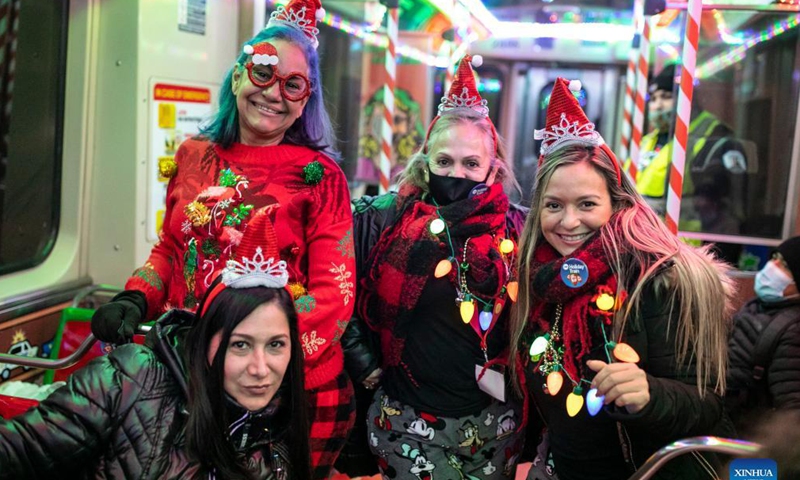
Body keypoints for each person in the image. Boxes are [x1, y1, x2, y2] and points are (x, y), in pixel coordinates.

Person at [90, 1, 356, 477]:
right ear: (237, 77)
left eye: (292, 84)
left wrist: (255, 360)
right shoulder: (192, 156)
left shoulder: (321, 178)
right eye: (263, 71)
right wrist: (137, 296)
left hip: (283, 386)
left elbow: (334, 296)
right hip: (191, 372)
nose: (273, 93)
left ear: (304, 100)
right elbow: (173, 251)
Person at [512, 78, 737, 480]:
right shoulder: (537, 279)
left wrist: (650, 393)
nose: (568, 222)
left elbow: (707, 404)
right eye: (553, 205)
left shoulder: (661, 281)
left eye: (586, 204)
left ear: (617, 203)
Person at [342, 55, 527, 480]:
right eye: (444, 162)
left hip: (495, 422)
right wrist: (366, 366)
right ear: (426, 161)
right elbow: (342, 293)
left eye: (471, 164)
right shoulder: (383, 219)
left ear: (492, 167)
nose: (456, 174)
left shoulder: (518, 227)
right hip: (406, 418)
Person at [0, 231, 310, 480]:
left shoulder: (277, 435)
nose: (260, 369)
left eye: (276, 345)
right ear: (203, 342)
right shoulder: (131, 380)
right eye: (239, 345)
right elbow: (19, 452)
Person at [626, 63, 748, 220]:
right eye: (653, 98)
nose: (657, 106)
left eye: (666, 97)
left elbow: (717, 204)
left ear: (686, 99)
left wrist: (649, 210)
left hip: (686, 239)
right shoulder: (646, 141)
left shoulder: (715, 138)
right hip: (644, 234)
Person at [726, 235, 800, 435]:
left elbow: (792, 411)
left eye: (784, 265)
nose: (772, 265)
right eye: (774, 257)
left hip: (752, 443)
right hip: (731, 425)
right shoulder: (757, 307)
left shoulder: (794, 331)